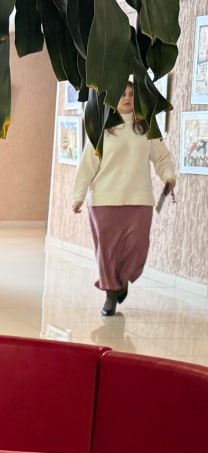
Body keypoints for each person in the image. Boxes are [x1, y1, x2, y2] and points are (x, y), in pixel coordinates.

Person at [72, 81, 177, 316]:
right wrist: (77, 196)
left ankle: (121, 282)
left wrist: (168, 175)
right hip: (104, 200)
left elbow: (161, 158)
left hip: (139, 199)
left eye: (131, 94)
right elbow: (87, 164)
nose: (128, 98)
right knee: (108, 252)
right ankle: (111, 294)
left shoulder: (147, 126)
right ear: (113, 98)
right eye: (122, 94)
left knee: (137, 248)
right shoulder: (101, 127)